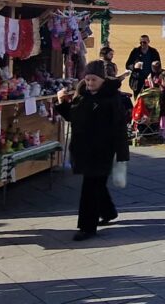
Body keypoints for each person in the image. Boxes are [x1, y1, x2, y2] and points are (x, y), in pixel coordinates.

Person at [55, 61, 130, 241]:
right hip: (84, 149)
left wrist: (122, 155)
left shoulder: (112, 99)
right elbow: (73, 117)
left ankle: (87, 227)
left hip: (103, 150)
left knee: (90, 188)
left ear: (103, 80)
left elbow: (119, 128)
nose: (89, 83)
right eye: (87, 79)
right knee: (96, 185)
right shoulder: (84, 96)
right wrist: (61, 102)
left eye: (93, 80)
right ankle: (109, 212)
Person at [147, 61, 165, 140]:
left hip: (163, 99)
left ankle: (162, 133)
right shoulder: (157, 74)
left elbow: (163, 88)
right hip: (162, 99)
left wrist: (152, 83)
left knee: (162, 115)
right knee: (163, 116)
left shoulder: (163, 75)